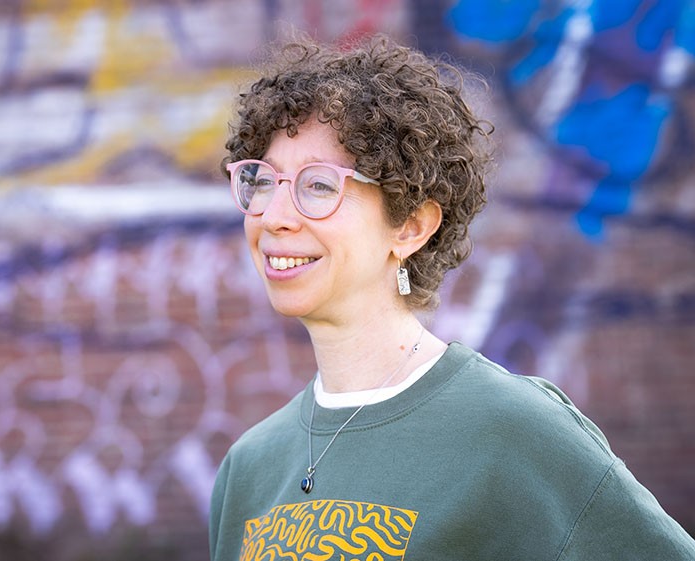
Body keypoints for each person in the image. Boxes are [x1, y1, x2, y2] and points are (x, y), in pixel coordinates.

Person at [209, 33, 695, 561]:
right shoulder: (247, 467)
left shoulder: (513, 431)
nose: (274, 216)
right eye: (261, 180)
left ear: (412, 226)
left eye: (319, 186)